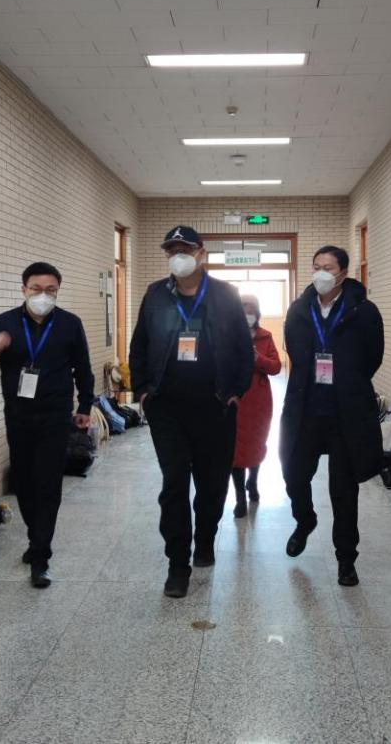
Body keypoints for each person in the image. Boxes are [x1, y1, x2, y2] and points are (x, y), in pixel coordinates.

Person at [129, 226, 252, 598]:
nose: (178, 256)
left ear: (201, 253)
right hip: (167, 408)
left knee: (212, 485)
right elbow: (139, 345)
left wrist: (235, 392)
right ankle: (177, 564)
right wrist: (144, 390)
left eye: (185, 249)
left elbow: (243, 349)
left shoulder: (225, 295)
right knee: (174, 485)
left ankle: (206, 539)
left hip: (215, 407)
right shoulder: (155, 295)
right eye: (172, 250)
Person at [0, 262, 94, 589]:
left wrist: (84, 406)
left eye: (50, 290)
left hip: (56, 415)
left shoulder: (69, 324)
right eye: (36, 289)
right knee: (23, 482)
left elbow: (83, 368)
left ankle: (41, 557)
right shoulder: (5, 323)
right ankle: (36, 537)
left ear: (57, 292)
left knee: (48, 484)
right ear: (23, 289)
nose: (43, 295)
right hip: (19, 416)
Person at [280, 245, 384, 587]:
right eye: (316, 266)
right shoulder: (299, 309)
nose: (321, 273)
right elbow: (294, 351)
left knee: (344, 491)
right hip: (306, 410)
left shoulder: (363, 311)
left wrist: (348, 382)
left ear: (343, 273)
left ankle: (346, 559)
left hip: (345, 414)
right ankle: (305, 519)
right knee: (294, 474)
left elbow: (373, 358)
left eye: (328, 267)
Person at [231, 294, 282, 518]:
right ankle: (240, 497)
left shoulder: (265, 336)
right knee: (236, 449)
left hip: (260, 401)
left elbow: (276, 367)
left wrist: (257, 358)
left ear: (258, 312)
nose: (247, 313)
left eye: (251, 309)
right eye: (243, 308)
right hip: (236, 399)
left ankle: (252, 481)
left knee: (256, 444)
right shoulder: (230, 336)